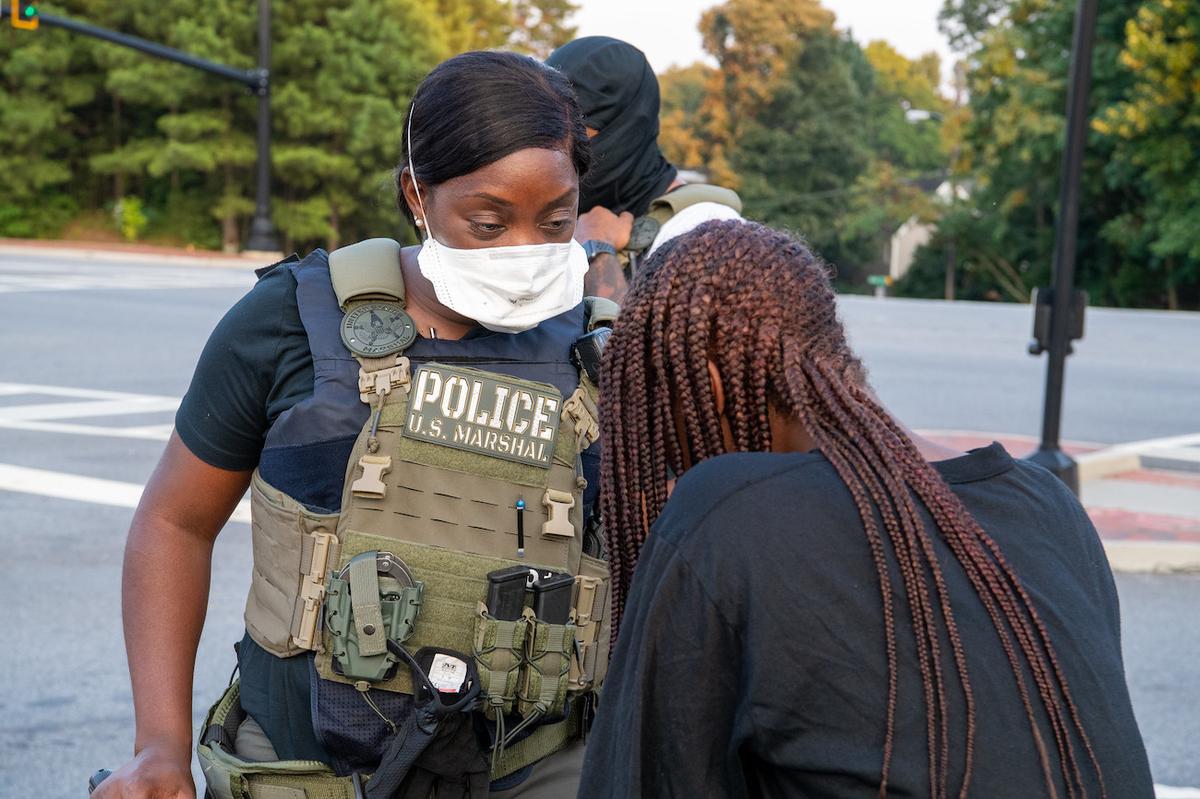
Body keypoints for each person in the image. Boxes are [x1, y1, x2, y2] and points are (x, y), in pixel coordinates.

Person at [97, 51, 615, 799]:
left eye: (554, 220)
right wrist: (160, 747)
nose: (523, 250)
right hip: (304, 770)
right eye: (488, 221)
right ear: (418, 193)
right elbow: (175, 521)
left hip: (532, 770)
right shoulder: (288, 321)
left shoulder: (599, 351)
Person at [580, 219, 1155, 797]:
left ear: (711, 385)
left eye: (667, 432)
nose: (675, 466)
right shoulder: (1049, 504)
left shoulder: (729, 513)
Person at [546, 36, 742, 302]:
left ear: (626, 131)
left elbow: (638, 345)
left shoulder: (709, 237)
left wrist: (597, 250)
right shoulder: (555, 227)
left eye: (576, 140)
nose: (554, 160)